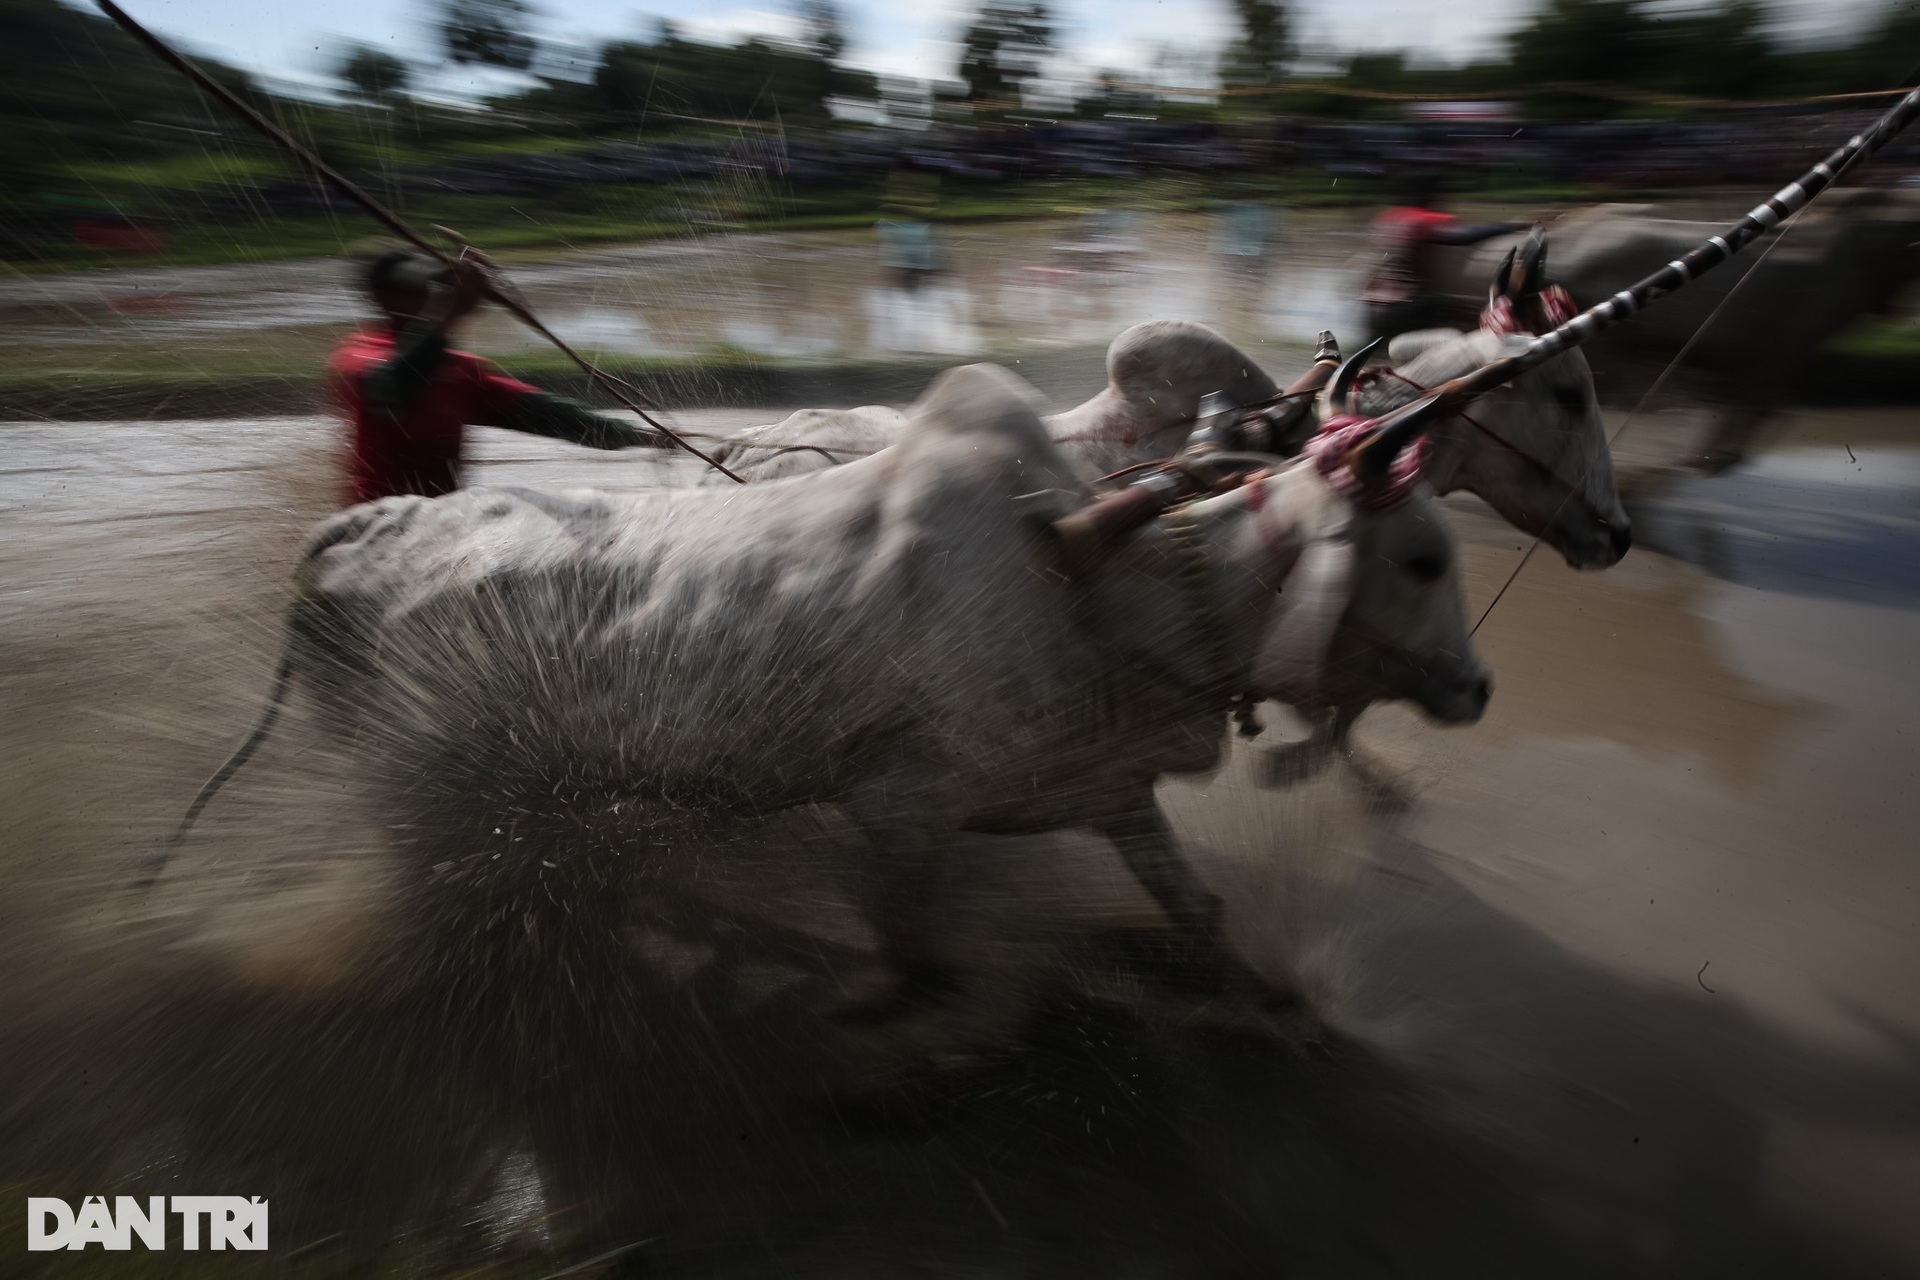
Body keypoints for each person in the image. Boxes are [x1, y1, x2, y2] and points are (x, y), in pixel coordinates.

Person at [328, 246, 659, 506]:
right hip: (373, 528)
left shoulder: (460, 370)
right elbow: (391, 390)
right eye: (414, 289)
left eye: (434, 286)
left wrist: (645, 438)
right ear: (380, 299)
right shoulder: (359, 357)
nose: (430, 295)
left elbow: (550, 416)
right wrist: (448, 315)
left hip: (438, 525)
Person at [1358, 174, 1526, 342]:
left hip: (1372, 303)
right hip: (1405, 304)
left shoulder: (1386, 218)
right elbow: (1465, 236)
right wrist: (1511, 227)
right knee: (1480, 313)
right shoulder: (1424, 218)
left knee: (1376, 351)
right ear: (1430, 196)